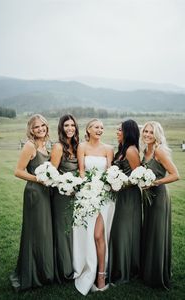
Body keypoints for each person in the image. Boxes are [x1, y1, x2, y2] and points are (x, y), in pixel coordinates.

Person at [10, 114, 54, 291]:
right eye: (36, 127)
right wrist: (39, 179)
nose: (40, 129)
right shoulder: (30, 145)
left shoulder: (45, 144)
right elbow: (18, 171)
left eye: (42, 125)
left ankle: (43, 270)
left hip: (45, 192)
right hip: (35, 193)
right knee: (36, 232)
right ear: (31, 129)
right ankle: (33, 273)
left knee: (44, 232)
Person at [73, 118, 115, 295]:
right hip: (86, 195)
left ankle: (101, 276)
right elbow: (81, 171)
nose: (100, 130)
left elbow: (110, 173)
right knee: (86, 234)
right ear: (88, 129)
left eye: (102, 128)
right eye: (97, 127)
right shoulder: (82, 147)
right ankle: (85, 268)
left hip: (105, 197)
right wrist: (86, 190)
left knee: (99, 235)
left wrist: (102, 189)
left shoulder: (108, 149)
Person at [140, 121, 179, 290]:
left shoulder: (159, 151)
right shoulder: (145, 150)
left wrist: (155, 183)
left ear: (157, 134)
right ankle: (147, 271)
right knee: (149, 231)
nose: (147, 134)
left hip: (159, 196)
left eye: (151, 132)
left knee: (157, 233)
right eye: (145, 131)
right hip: (148, 197)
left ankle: (157, 275)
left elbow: (175, 175)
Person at [108, 119, 142, 284]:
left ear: (127, 132)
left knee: (124, 231)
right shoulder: (121, 149)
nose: (117, 132)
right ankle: (117, 267)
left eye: (120, 130)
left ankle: (126, 270)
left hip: (129, 197)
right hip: (120, 196)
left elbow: (138, 177)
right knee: (117, 231)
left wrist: (121, 183)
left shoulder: (131, 151)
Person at [50, 114, 79, 283]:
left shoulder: (76, 146)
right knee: (64, 232)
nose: (70, 128)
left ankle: (75, 264)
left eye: (72, 125)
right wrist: (67, 185)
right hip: (62, 196)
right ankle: (64, 270)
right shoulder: (58, 147)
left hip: (76, 196)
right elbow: (52, 175)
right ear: (61, 128)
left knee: (74, 232)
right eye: (66, 125)